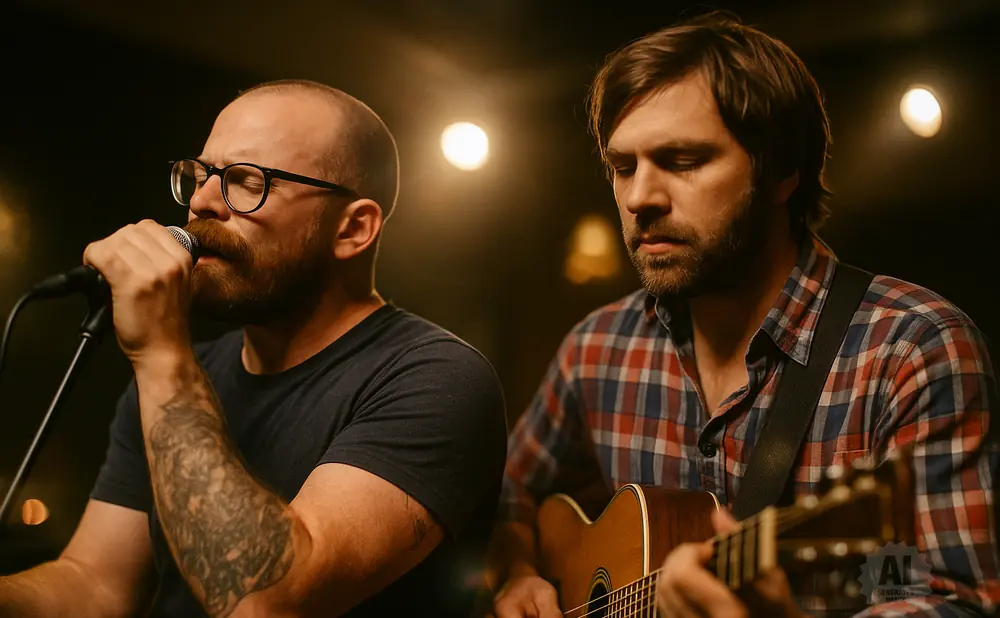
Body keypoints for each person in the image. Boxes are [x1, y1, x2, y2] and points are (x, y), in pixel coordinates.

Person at [489, 11, 999, 618]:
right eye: (623, 166)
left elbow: (954, 602)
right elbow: (503, 496)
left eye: (682, 160)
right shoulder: (596, 348)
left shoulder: (912, 349)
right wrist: (517, 574)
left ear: (782, 171)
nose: (638, 198)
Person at [0, 79, 508, 617]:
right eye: (200, 175)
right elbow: (95, 586)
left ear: (353, 229)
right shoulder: (185, 374)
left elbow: (269, 604)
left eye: (247, 182)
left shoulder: (437, 378)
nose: (200, 201)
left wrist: (159, 355)